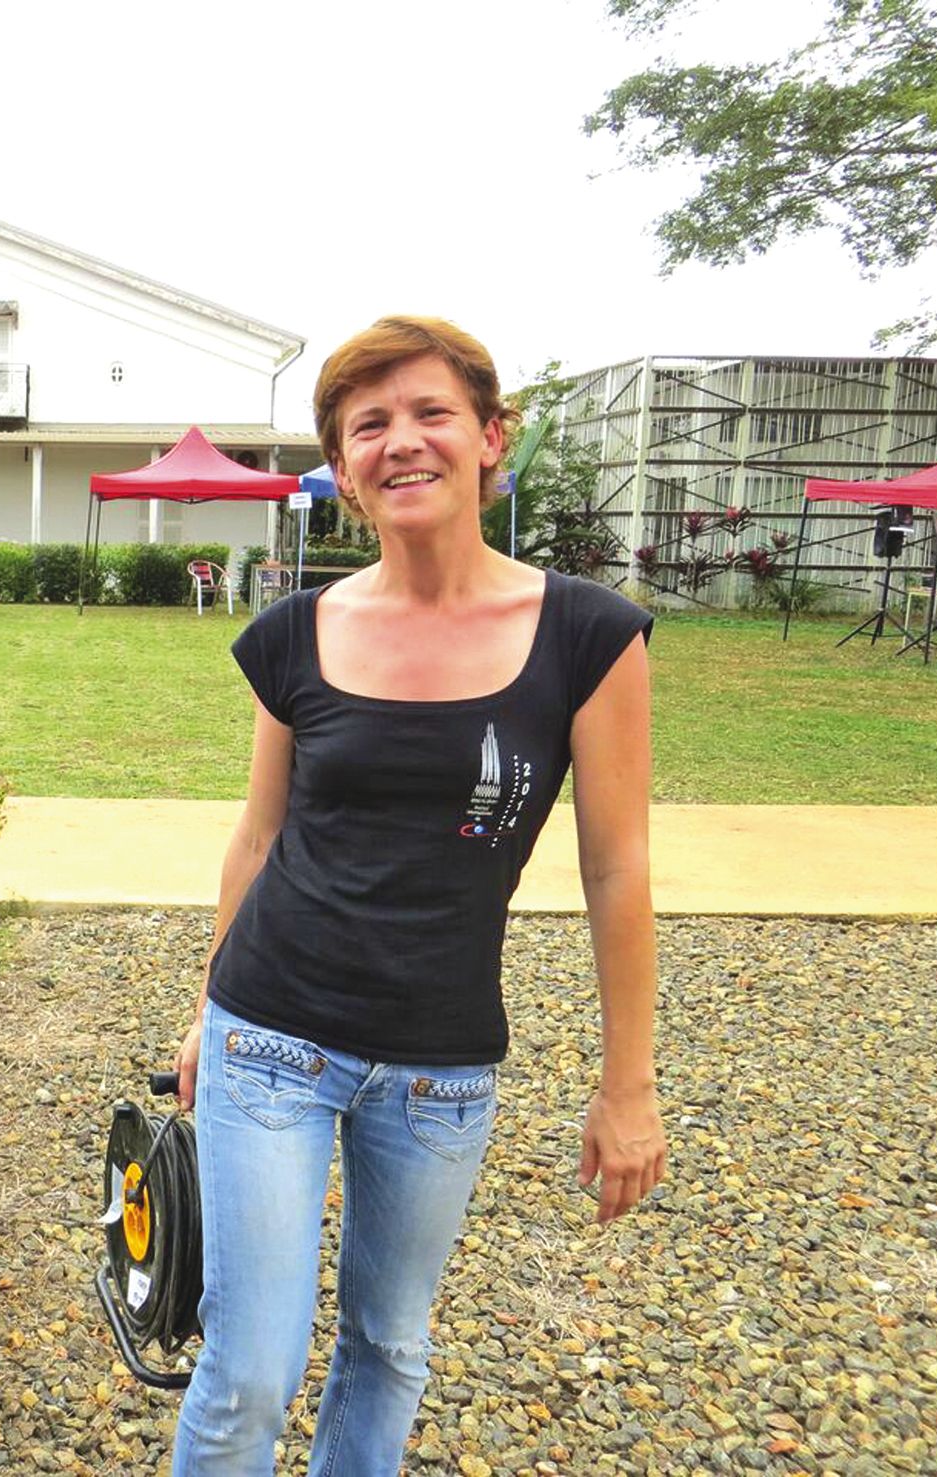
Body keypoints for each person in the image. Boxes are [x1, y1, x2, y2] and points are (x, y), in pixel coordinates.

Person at [170, 316, 665, 1476]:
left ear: (490, 438)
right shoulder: (296, 633)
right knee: (248, 1371)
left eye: (431, 412)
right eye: (368, 425)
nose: (401, 440)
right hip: (268, 1037)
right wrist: (203, 1010)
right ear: (343, 471)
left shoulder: (587, 636)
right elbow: (258, 837)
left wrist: (627, 1084)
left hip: (440, 1070)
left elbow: (616, 868)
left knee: (388, 1347)